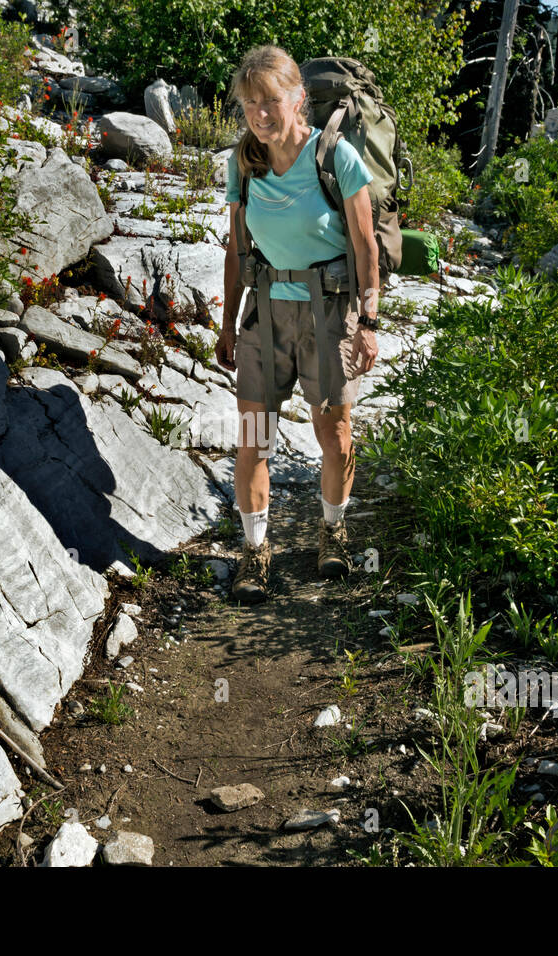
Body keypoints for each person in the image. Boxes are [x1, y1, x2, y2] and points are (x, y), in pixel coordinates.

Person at [214, 44, 380, 604]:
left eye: (270, 100)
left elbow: (365, 245)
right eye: (249, 104)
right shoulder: (245, 162)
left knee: (333, 435)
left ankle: (333, 531)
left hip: (329, 313)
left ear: (298, 99)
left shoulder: (335, 158)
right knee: (254, 439)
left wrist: (369, 320)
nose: (260, 113)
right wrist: (227, 324)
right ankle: (255, 554)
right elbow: (237, 250)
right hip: (265, 315)